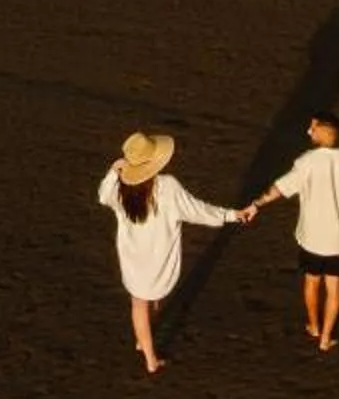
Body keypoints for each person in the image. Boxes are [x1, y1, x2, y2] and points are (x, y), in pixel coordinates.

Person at [96, 130, 245, 375]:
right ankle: (149, 354)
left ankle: (145, 348)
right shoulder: (167, 187)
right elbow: (199, 211)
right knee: (153, 298)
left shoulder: (120, 189)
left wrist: (114, 170)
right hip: (159, 257)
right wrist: (230, 215)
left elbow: (103, 196)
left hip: (133, 257)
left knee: (139, 303)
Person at [249, 112, 339, 353]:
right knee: (334, 288)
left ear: (325, 131)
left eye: (312, 128)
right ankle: (325, 338)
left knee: (311, 282)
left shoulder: (306, 162)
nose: (308, 132)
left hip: (311, 238)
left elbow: (280, 188)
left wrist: (256, 204)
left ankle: (313, 326)